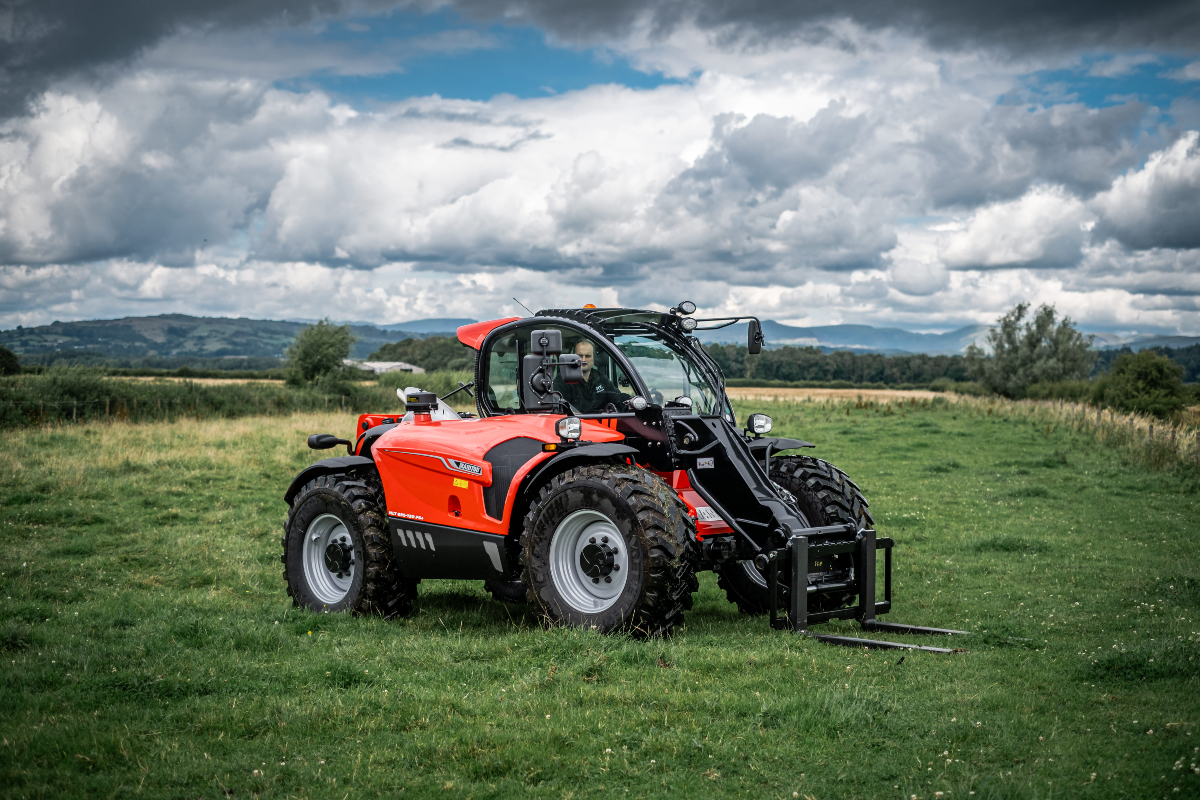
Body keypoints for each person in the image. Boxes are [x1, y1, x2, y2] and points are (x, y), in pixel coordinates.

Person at [553, 339, 629, 413]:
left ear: (594, 358)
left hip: (601, 423)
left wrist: (630, 401)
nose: (583, 359)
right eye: (579, 356)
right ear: (573, 358)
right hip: (576, 423)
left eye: (588, 356)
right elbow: (561, 408)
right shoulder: (564, 379)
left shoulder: (601, 377)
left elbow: (616, 397)